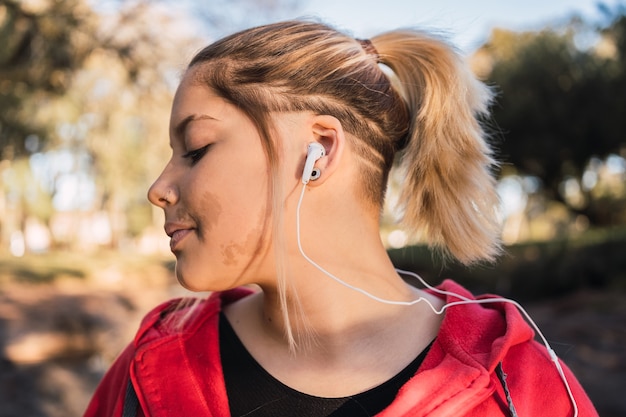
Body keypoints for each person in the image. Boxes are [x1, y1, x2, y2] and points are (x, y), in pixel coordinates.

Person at [84, 20, 598, 417]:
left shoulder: (521, 387)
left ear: (320, 150)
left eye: (194, 149)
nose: (158, 188)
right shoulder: (147, 368)